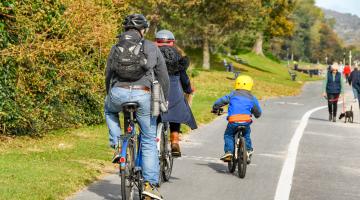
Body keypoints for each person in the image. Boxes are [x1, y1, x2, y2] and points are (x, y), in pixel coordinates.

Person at [104, 14, 169, 200]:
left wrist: (110, 93)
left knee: (109, 110)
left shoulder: (116, 46)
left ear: (125, 29)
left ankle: (118, 144)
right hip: (143, 94)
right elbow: (162, 75)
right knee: (148, 139)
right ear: (143, 30)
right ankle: (150, 185)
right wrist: (165, 97)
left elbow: (108, 73)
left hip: (118, 92)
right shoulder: (151, 46)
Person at [155, 30, 197, 157]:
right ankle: (174, 140)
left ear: (156, 42)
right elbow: (183, 77)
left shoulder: (152, 53)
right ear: (172, 42)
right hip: (173, 89)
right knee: (177, 108)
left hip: (156, 89)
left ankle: (153, 138)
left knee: (154, 110)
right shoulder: (178, 55)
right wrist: (188, 89)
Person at [212, 75, 262, 162]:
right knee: (246, 135)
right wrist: (257, 115)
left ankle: (229, 152)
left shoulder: (233, 94)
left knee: (228, 135)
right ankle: (248, 150)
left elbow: (221, 101)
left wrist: (215, 108)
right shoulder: (252, 97)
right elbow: (257, 111)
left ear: (237, 84)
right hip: (246, 121)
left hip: (233, 120)